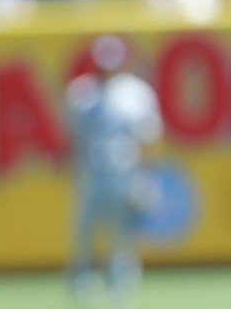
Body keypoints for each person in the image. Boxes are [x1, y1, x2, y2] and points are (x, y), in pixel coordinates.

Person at [66, 34, 163, 304]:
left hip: (126, 167)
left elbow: (149, 137)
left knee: (125, 231)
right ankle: (82, 280)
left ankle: (122, 283)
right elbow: (73, 139)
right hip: (92, 169)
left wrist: (148, 173)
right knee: (86, 230)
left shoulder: (135, 93)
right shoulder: (82, 93)